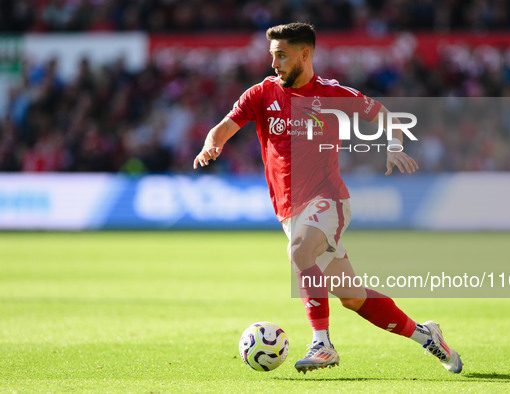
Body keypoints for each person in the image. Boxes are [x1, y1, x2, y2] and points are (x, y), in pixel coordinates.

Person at [194, 22, 462, 374]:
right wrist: (212, 143)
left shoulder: (332, 94)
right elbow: (225, 126)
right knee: (352, 297)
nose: (274, 64)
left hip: (328, 200)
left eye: (281, 55)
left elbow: (385, 116)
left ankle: (322, 344)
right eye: (272, 55)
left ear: (305, 55)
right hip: (290, 212)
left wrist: (394, 145)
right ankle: (426, 335)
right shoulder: (261, 93)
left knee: (300, 252)